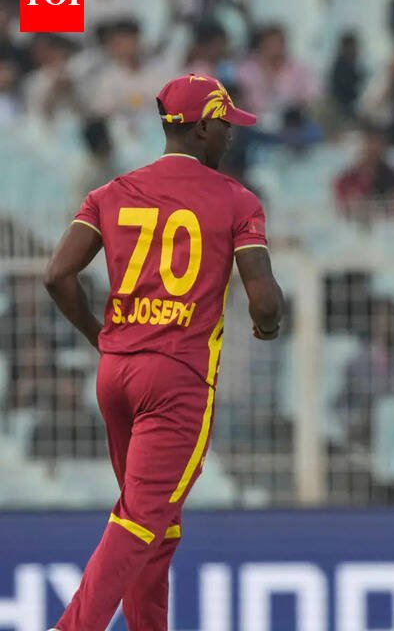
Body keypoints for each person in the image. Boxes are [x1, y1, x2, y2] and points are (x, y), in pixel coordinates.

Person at [42, 74, 284, 631]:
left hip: (116, 372)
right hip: (177, 379)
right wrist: (268, 328)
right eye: (224, 125)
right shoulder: (236, 199)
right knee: (140, 518)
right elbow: (265, 300)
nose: (230, 135)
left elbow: (57, 276)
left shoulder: (111, 192)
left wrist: (101, 337)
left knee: (158, 522)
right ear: (201, 128)